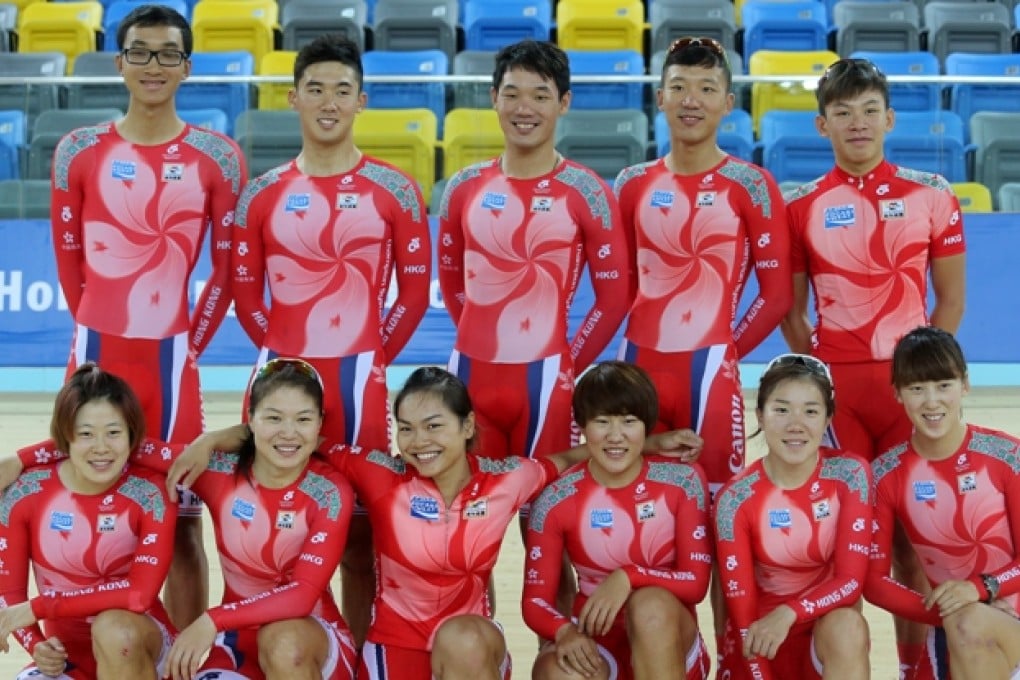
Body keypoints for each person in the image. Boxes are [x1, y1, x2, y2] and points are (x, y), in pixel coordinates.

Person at [163, 366, 703, 680]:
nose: (419, 441)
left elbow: (568, 459)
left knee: (465, 640)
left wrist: (645, 443)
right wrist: (214, 439)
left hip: (467, 647)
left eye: (435, 426)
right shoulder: (379, 473)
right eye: (406, 428)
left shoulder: (507, 479)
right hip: (388, 647)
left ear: (468, 427)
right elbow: (291, 437)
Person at [49, 3, 248, 629]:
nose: (153, 64)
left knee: (184, 523)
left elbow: (226, 272)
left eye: (167, 53)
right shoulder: (78, 150)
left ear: (187, 67)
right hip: (96, 355)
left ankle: (189, 659)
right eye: (140, 51)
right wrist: (91, 334)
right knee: (88, 509)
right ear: (119, 62)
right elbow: (70, 264)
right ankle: (88, 652)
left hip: (170, 365)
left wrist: (190, 344)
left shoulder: (218, 157)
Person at [232, 34, 431, 646]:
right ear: (292, 97)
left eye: (341, 90)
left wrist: (369, 359)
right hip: (278, 381)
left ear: (361, 101)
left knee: (363, 540)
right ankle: (270, 648)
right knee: (267, 525)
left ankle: (360, 653)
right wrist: (291, 364)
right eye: (314, 88)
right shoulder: (261, 194)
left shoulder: (395, 190)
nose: (328, 101)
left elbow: (414, 298)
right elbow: (247, 300)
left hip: (360, 389)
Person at [780, 56, 966, 675]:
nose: (856, 123)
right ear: (821, 124)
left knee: (914, 545)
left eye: (867, 111)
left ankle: (916, 669)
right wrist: (822, 372)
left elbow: (952, 300)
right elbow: (792, 312)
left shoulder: (933, 196)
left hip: (906, 397)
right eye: (841, 112)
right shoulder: (800, 205)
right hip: (841, 396)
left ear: (888, 118)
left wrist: (924, 379)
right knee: (848, 545)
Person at [10, 359, 358, 680]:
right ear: (249, 421)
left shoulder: (329, 492)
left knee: (285, 644)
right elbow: (115, 442)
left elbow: (300, 596)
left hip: (309, 639)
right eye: (273, 418)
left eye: (303, 419)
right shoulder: (215, 472)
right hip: (235, 646)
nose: (288, 433)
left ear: (319, 426)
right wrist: (23, 458)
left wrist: (211, 620)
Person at [437, 38, 632, 463]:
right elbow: (453, 287)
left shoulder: (588, 192)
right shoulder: (463, 187)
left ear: (563, 103)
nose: (524, 109)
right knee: (471, 519)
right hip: (471, 374)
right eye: (512, 94)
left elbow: (616, 298)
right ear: (493, 99)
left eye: (540, 96)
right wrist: (481, 334)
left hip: (546, 382)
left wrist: (566, 362)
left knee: (544, 520)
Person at [613, 36, 791, 496]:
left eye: (707, 89)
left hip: (710, 374)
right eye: (679, 87)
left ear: (728, 103)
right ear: (660, 98)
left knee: (718, 514)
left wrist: (728, 351)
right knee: (639, 509)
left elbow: (777, 297)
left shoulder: (750, 185)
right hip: (638, 366)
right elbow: (622, 291)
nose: (691, 100)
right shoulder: (632, 184)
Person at [522, 361, 713, 680]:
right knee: (553, 670)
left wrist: (628, 576)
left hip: (669, 636)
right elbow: (535, 601)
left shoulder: (683, 481)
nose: (615, 436)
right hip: (596, 644)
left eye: (628, 421)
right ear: (582, 426)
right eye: (602, 421)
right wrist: (564, 631)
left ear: (647, 425)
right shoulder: (556, 498)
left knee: (649, 604)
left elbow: (695, 585)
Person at [0, 364, 177, 680]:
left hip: (140, 646)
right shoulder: (26, 491)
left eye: (113, 432)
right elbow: (9, 594)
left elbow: (139, 595)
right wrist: (36, 645)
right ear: (64, 437)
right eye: (85, 434)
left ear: (131, 435)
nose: (101, 447)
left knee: (114, 631)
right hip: (67, 657)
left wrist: (39, 608)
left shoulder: (150, 493)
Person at [865, 326, 1020, 680]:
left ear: (964, 385)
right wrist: (947, 611)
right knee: (968, 626)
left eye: (943, 386)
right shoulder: (885, 476)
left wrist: (978, 590)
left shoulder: (1007, 456)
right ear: (898, 394)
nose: (931, 401)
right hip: (954, 627)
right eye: (917, 388)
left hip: (1011, 619)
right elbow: (874, 582)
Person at [713, 353, 873, 680]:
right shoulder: (736, 498)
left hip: (823, 640)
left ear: (828, 419)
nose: (795, 424)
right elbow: (743, 621)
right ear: (759, 415)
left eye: (810, 411)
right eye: (781, 410)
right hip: (758, 646)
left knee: (847, 625)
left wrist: (791, 612)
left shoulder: (851, 476)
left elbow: (851, 582)